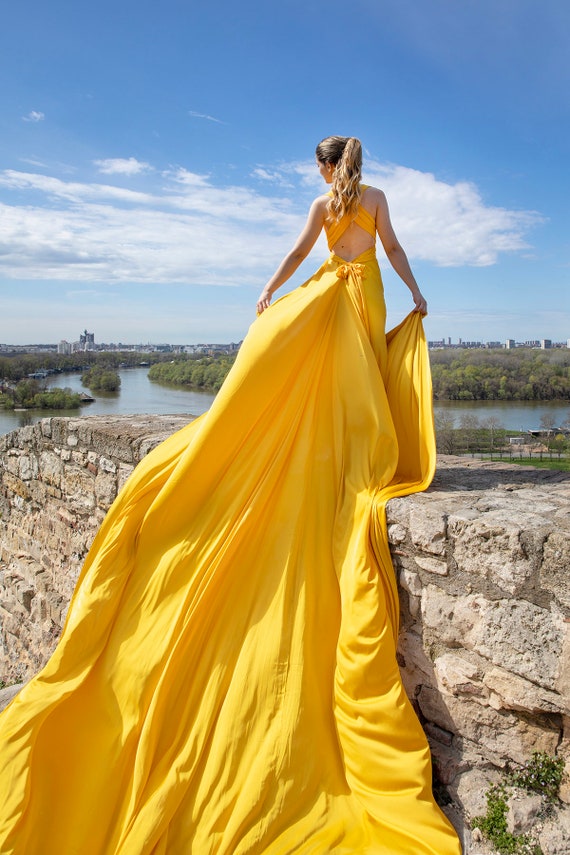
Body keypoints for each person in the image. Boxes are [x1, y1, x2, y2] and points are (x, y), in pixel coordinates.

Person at [0, 136, 461, 854]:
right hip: (362, 301)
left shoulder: (326, 203)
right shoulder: (373, 201)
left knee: (332, 388)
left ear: (324, 167)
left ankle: (337, 459)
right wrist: (413, 292)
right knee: (356, 388)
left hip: (337, 299)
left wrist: (270, 291)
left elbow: (300, 254)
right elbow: (391, 252)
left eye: (320, 166)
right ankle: (353, 462)